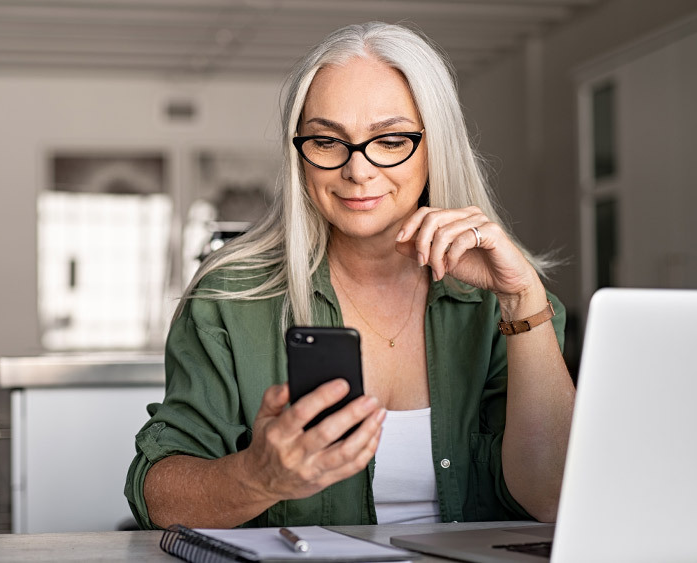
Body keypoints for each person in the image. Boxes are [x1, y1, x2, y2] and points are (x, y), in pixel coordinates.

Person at [125, 21, 575, 530]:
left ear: (435, 145)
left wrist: (522, 300)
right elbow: (158, 496)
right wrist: (258, 477)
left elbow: (554, 498)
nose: (357, 171)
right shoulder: (230, 297)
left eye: (389, 140)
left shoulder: (509, 303)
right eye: (326, 141)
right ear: (300, 156)